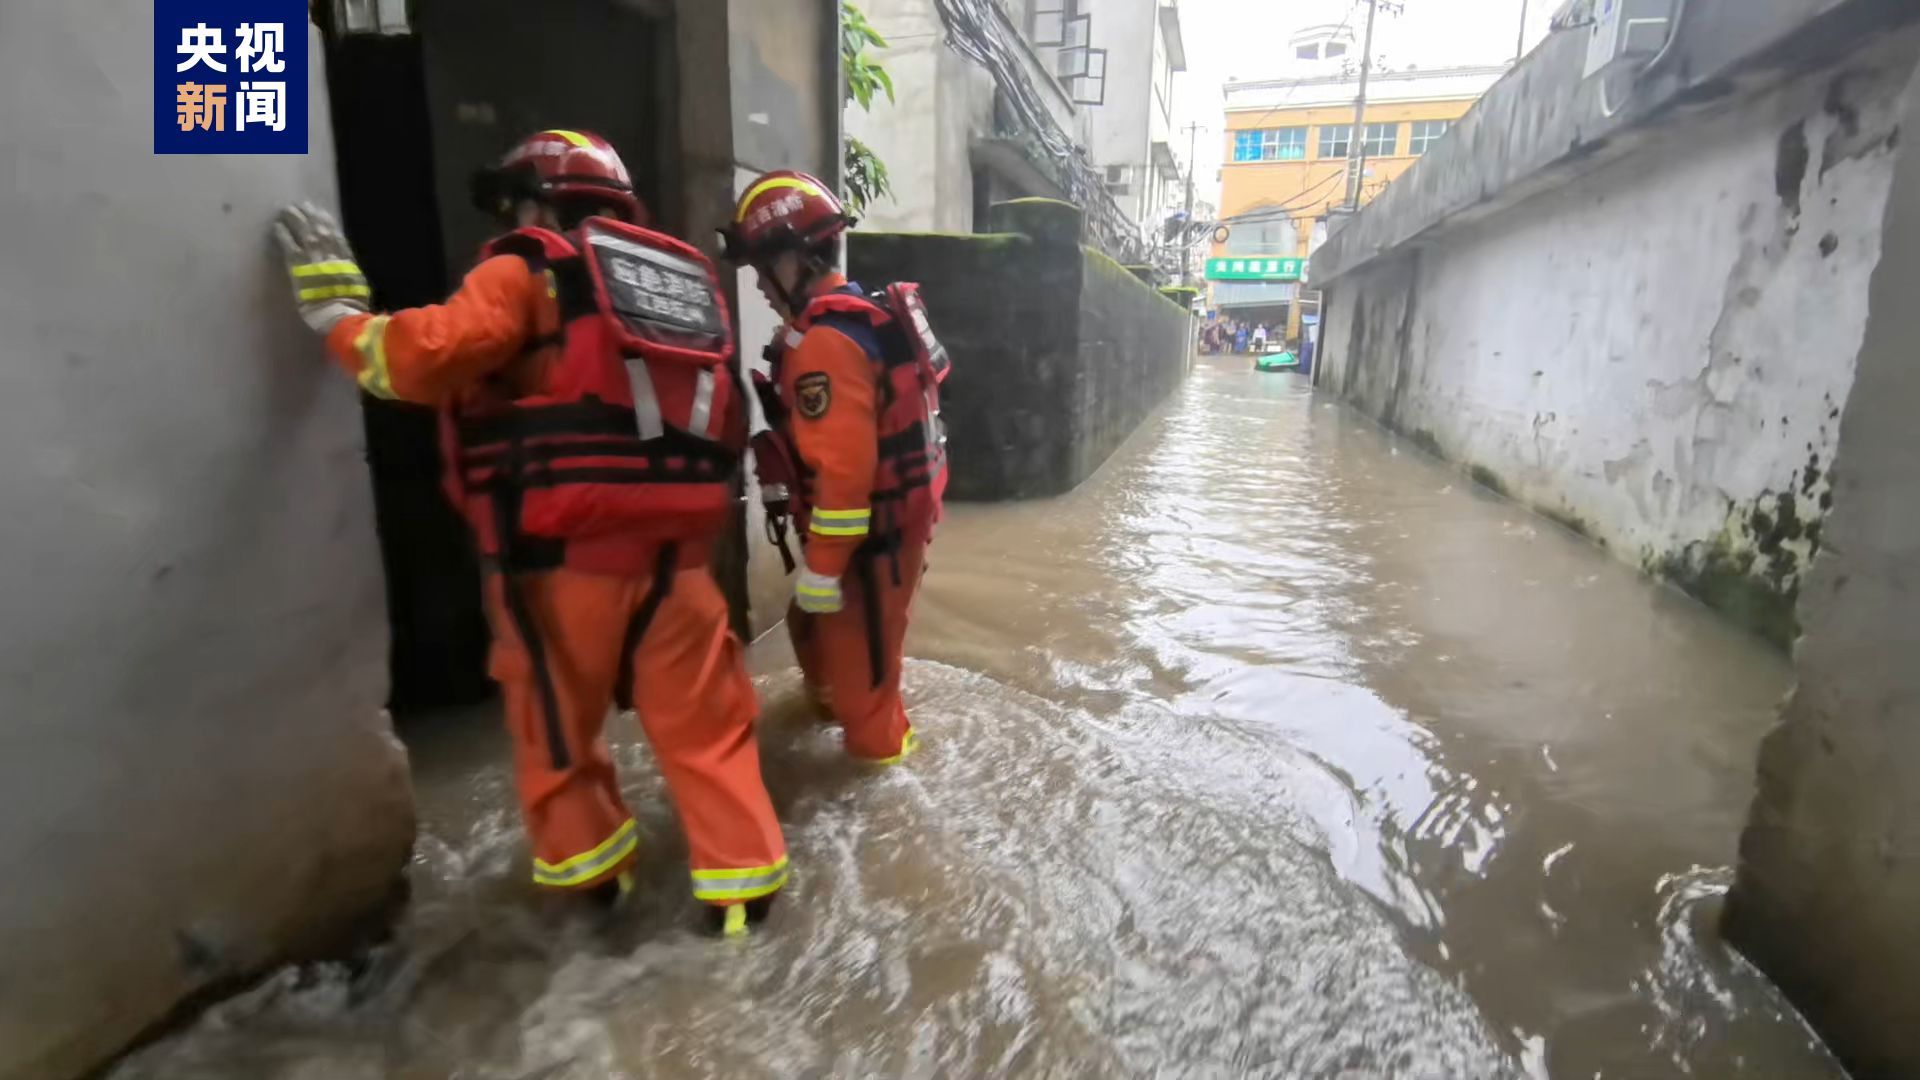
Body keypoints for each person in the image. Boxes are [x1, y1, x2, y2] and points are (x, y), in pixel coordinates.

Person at [271, 129, 788, 936]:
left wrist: (341, 317)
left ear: (534, 203)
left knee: (559, 735)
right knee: (709, 732)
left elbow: (424, 358)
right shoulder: (687, 289)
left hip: (563, 567)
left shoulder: (527, 267)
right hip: (682, 566)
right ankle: (742, 904)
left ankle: (597, 903)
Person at [719, 170, 947, 765]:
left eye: (762, 271)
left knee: (867, 706)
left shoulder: (824, 343)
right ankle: (832, 703)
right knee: (810, 633)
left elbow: (844, 474)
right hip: (887, 532)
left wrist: (823, 571)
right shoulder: (858, 318)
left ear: (792, 260)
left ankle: (884, 787)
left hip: (865, 546)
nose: (762, 288)